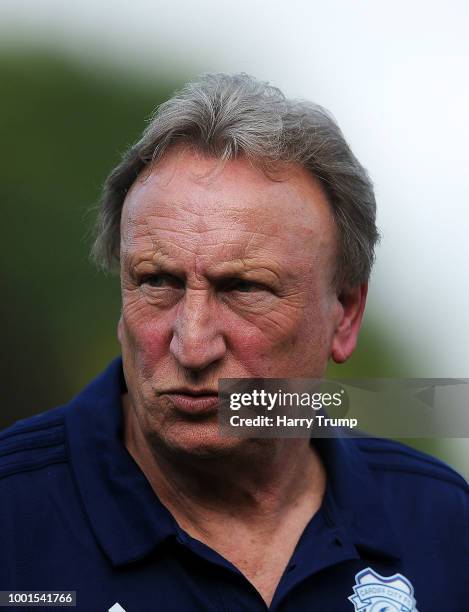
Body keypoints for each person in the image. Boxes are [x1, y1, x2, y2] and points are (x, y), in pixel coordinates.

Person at [0, 73, 467, 612]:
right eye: (157, 282)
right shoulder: (14, 516)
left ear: (345, 314)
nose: (192, 346)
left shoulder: (443, 524)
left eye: (244, 288)